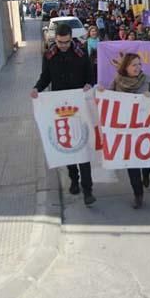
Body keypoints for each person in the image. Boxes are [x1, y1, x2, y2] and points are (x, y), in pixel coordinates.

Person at [31, 23, 97, 205]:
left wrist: (88, 85)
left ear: (71, 37)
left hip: (79, 105)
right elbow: (46, 77)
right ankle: (73, 179)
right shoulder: (50, 55)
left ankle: (88, 190)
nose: (63, 46)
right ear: (56, 39)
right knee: (67, 146)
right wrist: (37, 88)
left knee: (82, 147)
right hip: (59, 106)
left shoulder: (81, 54)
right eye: (60, 43)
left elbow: (90, 76)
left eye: (66, 42)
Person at [106, 54, 150, 209]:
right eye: (133, 65)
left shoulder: (147, 79)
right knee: (132, 162)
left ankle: (147, 173)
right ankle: (138, 194)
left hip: (146, 128)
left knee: (146, 159)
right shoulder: (118, 81)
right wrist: (101, 92)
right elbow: (108, 99)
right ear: (125, 67)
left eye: (139, 64)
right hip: (127, 129)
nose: (137, 68)